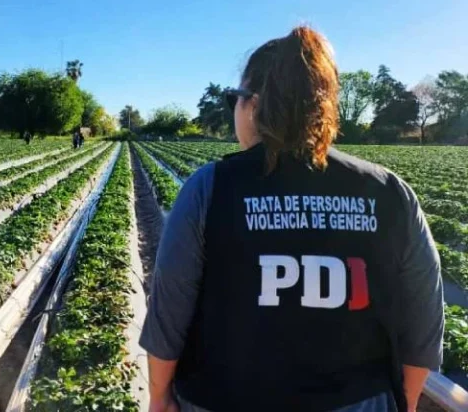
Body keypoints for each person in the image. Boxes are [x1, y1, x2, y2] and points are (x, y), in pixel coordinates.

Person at [140, 26, 444, 412]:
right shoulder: (389, 193)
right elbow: (423, 329)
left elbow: (169, 315)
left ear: (254, 104)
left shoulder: (211, 188)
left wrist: (159, 396)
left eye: (235, 98)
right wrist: (405, 402)